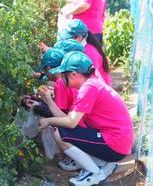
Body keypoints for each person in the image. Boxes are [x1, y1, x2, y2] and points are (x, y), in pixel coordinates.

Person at [38, 51, 134, 186]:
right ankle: (102, 164)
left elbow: (71, 123)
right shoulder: (90, 83)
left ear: (73, 74)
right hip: (119, 141)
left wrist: (48, 120)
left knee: (60, 134)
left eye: (63, 75)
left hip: (115, 143)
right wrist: (49, 100)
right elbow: (69, 119)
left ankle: (94, 173)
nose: (61, 78)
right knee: (65, 129)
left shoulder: (89, 88)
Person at [39, 19, 112, 85]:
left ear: (79, 38)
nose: (65, 40)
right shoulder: (79, 48)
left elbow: (87, 80)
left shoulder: (89, 53)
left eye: (68, 37)